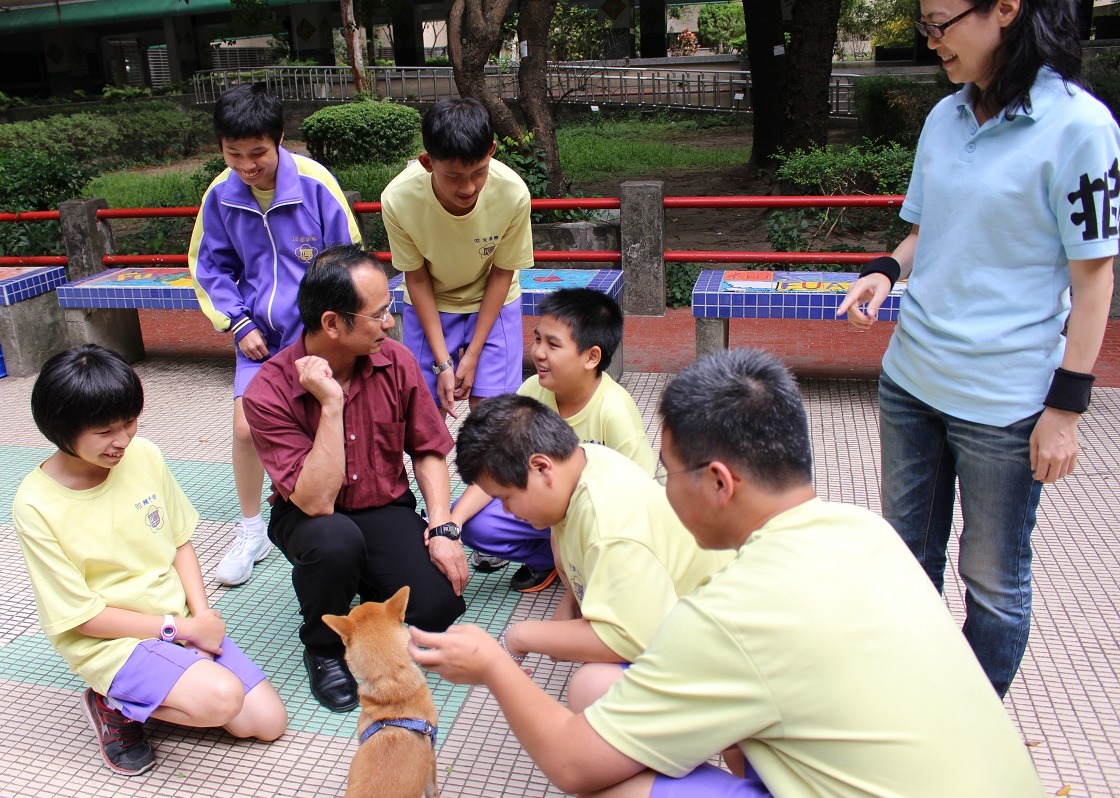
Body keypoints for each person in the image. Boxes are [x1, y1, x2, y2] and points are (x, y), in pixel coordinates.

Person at [410, 349, 1046, 797]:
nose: (660, 487)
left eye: (669, 470)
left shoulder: (727, 614)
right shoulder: (867, 532)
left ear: (718, 481)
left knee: (612, 778)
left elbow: (574, 766)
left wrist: (495, 661)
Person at [836, 0, 1118, 698]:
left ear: (1005, 9)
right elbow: (929, 228)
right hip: (911, 381)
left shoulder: (1080, 128)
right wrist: (885, 269)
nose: (930, 41)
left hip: (1004, 404)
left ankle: (970, 723)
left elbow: (1094, 277)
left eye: (939, 23)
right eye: (923, 26)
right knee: (906, 560)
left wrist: (1067, 409)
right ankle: (909, 703)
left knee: (992, 583)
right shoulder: (946, 117)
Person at [12, 345, 287, 778]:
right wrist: (178, 629)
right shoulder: (36, 504)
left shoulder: (145, 455)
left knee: (268, 723)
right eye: (105, 431)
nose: (122, 440)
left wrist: (202, 617)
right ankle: (111, 704)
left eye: (128, 423)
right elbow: (83, 618)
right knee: (222, 698)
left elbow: (180, 542)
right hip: (111, 641)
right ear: (60, 428)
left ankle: (162, 685)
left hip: (175, 623)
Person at [241, 244, 467, 713]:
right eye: (378, 314)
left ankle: (364, 579)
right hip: (310, 516)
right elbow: (316, 501)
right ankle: (323, 649)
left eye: (389, 309)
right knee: (336, 541)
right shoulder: (268, 391)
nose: (389, 322)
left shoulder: (397, 361)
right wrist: (331, 404)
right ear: (331, 323)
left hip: (383, 505)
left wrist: (442, 527)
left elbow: (427, 448)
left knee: (438, 607)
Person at [453, 394, 730, 710]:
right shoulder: (583, 460)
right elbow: (579, 559)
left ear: (541, 467)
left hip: (717, 651)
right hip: (681, 612)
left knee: (593, 688)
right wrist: (569, 604)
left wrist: (519, 637)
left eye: (506, 498)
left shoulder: (607, 523)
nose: (506, 510)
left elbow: (630, 639)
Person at [189, 83, 363, 588]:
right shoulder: (220, 195)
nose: (246, 165)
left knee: (327, 423)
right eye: (233, 153)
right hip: (258, 337)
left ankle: (343, 513)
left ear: (280, 139)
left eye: (257, 153)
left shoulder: (314, 184)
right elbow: (210, 268)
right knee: (246, 429)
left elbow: (347, 262)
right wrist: (238, 323)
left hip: (316, 335)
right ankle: (251, 531)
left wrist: (332, 330)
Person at [452, 288, 656, 593]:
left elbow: (642, 495)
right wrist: (451, 523)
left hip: (596, 520)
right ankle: (547, 559)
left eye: (553, 344)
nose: (538, 352)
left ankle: (581, 562)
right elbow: (498, 467)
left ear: (591, 357)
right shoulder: (532, 390)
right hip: (546, 512)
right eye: (537, 339)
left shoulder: (614, 411)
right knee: (473, 521)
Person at [380, 97, 533, 418]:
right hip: (431, 304)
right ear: (426, 162)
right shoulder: (398, 199)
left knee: (495, 419)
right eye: (453, 176)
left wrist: (473, 354)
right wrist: (442, 362)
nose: (468, 187)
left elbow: (503, 273)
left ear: (491, 151)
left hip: (495, 304)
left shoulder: (513, 193)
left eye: (479, 172)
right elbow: (417, 278)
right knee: (424, 418)